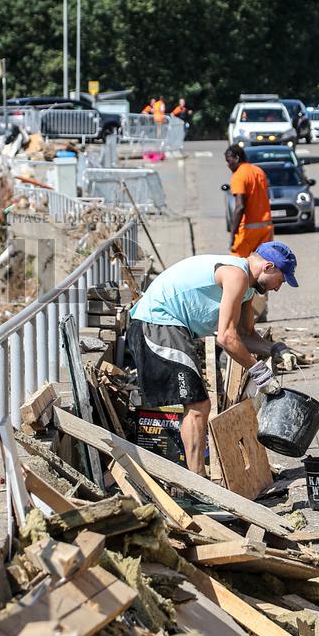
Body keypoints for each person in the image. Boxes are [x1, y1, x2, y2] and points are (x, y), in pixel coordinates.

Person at [128, 243, 299, 475]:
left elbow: (245, 336)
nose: (278, 288)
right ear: (268, 266)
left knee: (197, 404)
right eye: (281, 280)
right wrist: (259, 372)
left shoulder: (247, 288)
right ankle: (197, 482)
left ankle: (194, 478)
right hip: (156, 323)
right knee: (198, 405)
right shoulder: (236, 274)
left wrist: (275, 348)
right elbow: (227, 339)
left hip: (172, 328)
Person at [225, 144, 273, 257]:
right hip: (265, 226)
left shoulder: (238, 176)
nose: (228, 165)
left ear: (237, 158)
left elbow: (240, 206)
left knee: (237, 265)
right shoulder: (259, 171)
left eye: (229, 160)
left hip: (247, 229)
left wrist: (233, 232)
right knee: (263, 264)